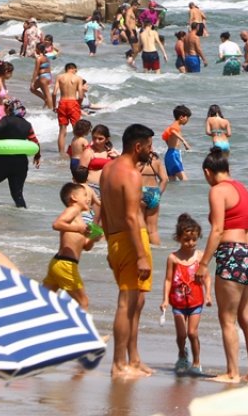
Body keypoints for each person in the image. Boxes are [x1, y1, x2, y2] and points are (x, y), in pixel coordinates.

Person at [197, 148, 248, 384]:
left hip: (232, 253)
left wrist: (203, 263)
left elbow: (217, 230)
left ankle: (232, 372)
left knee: (227, 319)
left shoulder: (217, 190)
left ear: (208, 172)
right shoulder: (243, 189)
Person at [99, 123, 157, 378]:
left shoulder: (107, 170)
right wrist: (142, 255)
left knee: (137, 302)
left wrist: (109, 245)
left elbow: (104, 210)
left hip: (116, 241)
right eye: (149, 146)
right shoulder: (131, 174)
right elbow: (133, 217)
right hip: (133, 242)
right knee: (126, 303)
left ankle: (133, 359)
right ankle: (118, 364)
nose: (151, 151)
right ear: (137, 146)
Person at [160, 213, 211, 377]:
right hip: (178, 303)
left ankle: (196, 362)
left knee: (192, 333)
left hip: (196, 302)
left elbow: (207, 277)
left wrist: (208, 294)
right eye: (187, 240)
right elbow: (168, 280)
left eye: (194, 239)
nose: (191, 243)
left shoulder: (200, 256)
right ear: (179, 239)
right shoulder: (173, 258)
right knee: (181, 335)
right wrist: (165, 299)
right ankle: (182, 355)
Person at [43, 182, 99, 310]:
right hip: (66, 265)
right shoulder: (73, 210)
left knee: (44, 299)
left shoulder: (78, 216)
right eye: (85, 195)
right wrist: (79, 228)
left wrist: (93, 239)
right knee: (83, 302)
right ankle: (83, 329)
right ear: (74, 198)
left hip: (58, 263)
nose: (88, 198)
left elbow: (85, 246)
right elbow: (56, 224)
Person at [0, 99, 42, 207]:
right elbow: (35, 142)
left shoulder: (7, 120)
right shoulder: (27, 124)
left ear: (10, 109)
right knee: (17, 195)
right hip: (21, 164)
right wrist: (37, 156)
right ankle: (23, 216)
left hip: (4, 162)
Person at [53, 61, 85, 154]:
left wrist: (54, 105)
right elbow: (81, 96)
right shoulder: (78, 78)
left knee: (62, 131)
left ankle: (61, 153)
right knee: (77, 129)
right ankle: (77, 151)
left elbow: (54, 93)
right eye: (76, 70)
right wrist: (78, 104)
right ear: (73, 68)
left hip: (62, 102)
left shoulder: (59, 77)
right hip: (73, 102)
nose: (76, 71)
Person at [138, 150, 168, 245]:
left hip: (140, 192)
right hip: (154, 192)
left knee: (140, 227)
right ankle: (157, 251)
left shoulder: (136, 160)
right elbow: (165, 179)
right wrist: (158, 194)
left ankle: (143, 250)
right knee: (153, 230)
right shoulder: (156, 162)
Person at [162, 105, 192, 182]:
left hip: (169, 155)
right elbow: (173, 131)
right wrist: (184, 141)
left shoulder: (172, 126)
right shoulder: (175, 125)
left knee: (173, 183)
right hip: (174, 155)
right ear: (181, 117)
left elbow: (164, 137)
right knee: (185, 180)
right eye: (187, 118)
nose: (188, 120)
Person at [31, 42, 56, 110]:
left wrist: (32, 81)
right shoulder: (46, 58)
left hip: (43, 77)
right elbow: (49, 69)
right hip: (47, 76)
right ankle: (48, 107)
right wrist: (50, 78)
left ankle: (51, 109)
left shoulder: (39, 58)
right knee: (34, 90)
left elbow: (36, 70)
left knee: (47, 95)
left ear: (38, 49)